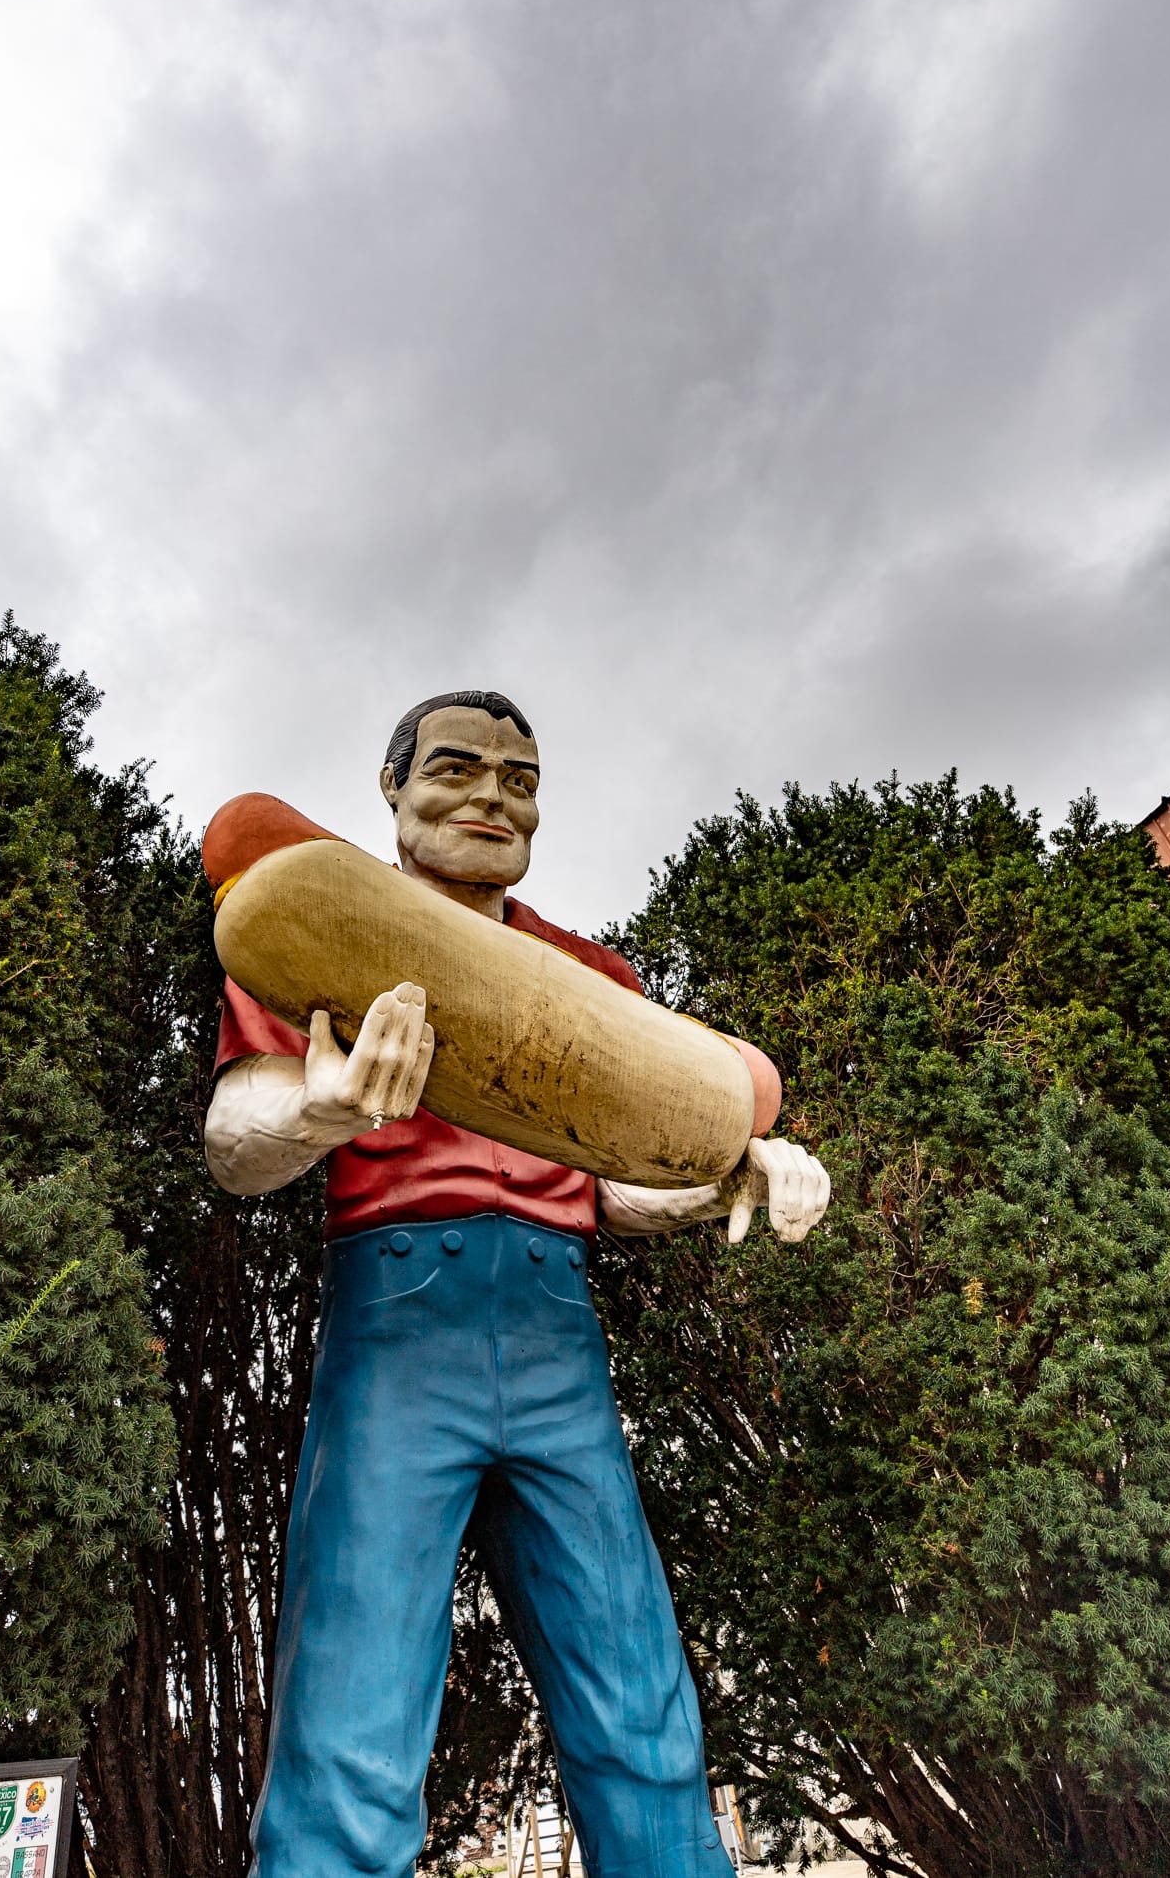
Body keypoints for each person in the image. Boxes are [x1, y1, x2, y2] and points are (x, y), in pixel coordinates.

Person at [205, 689, 830, 1878]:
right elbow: (236, 1142)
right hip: (397, 1327)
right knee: (353, 1703)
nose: (491, 795)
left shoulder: (594, 977)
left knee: (636, 1695)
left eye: (518, 778)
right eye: (455, 768)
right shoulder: (320, 926)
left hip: (557, 1333)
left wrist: (728, 1178)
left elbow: (613, 1186)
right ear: (391, 789)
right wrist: (325, 1106)